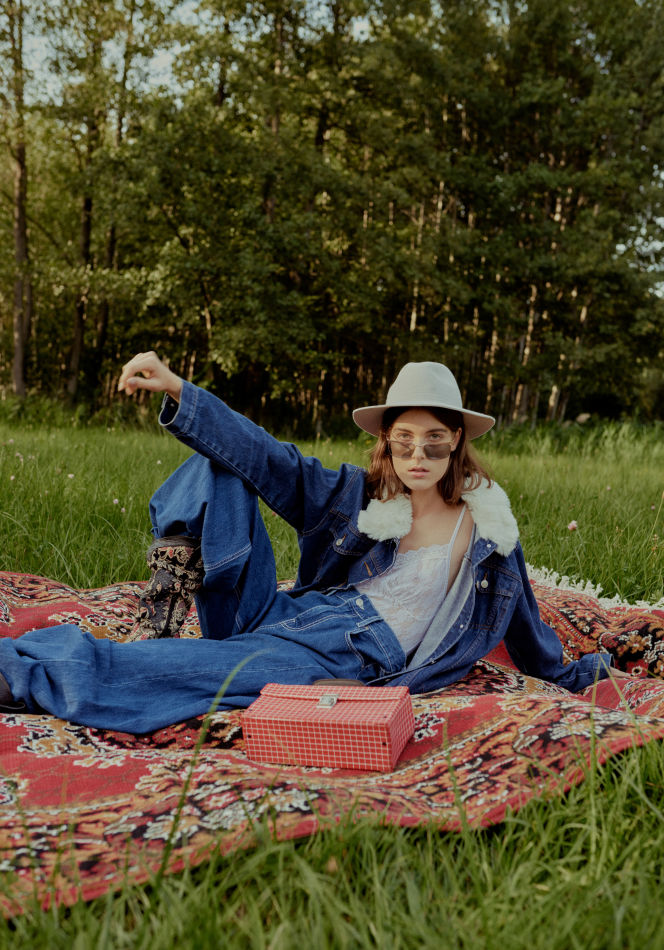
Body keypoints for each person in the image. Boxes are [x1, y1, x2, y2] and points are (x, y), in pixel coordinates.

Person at [0, 353, 623, 734]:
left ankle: (19, 673)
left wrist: (574, 674)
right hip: (289, 614)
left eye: (435, 439)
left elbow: (525, 623)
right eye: (404, 439)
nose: (418, 454)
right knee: (225, 463)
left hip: (350, 656)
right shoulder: (359, 495)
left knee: (191, 672)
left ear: (457, 440)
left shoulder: (488, 530)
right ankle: (168, 591)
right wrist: (178, 390)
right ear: (386, 440)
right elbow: (270, 458)